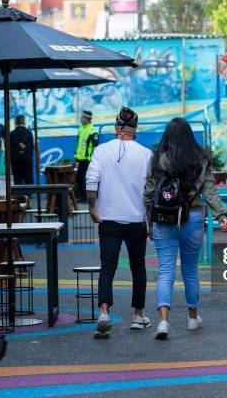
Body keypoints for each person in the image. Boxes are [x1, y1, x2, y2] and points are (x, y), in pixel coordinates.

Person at [144, 117, 227, 340]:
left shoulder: (158, 159)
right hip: (192, 218)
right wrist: (221, 214)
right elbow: (210, 191)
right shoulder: (200, 160)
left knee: (165, 271)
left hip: (164, 218)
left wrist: (148, 219)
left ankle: (163, 321)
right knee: (190, 271)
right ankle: (193, 318)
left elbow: (149, 192)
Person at [86, 107, 153, 339]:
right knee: (138, 268)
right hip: (136, 220)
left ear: (116, 127)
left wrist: (92, 208)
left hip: (108, 220)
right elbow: (149, 191)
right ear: (135, 129)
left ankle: (104, 313)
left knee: (108, 267)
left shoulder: (101, 151)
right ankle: (138, 314)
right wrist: (150, 221)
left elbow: (91, 180)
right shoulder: (145, 154)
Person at [75, 110, 99, 202]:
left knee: (88, 179)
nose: (81, 119)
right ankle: (83, 197)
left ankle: (88, 198)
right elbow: (78, 144)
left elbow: (96, 146)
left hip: (88, 159)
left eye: (82, 117)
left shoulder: (93, 130)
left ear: (87, 118)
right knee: (79, 178)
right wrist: (76, 156)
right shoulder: (80, 128)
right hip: (80, 158)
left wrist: (93, 158)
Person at [9, 114, 34, 185]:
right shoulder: (29, 133)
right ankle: (28, 196)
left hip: (15, 161)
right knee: (29, 181)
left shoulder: (11, 134)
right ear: (24, 122)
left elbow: (8, 148)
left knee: (17, 181)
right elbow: (33, 146)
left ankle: (18, 196)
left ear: (15, 122)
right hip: (27, 160)